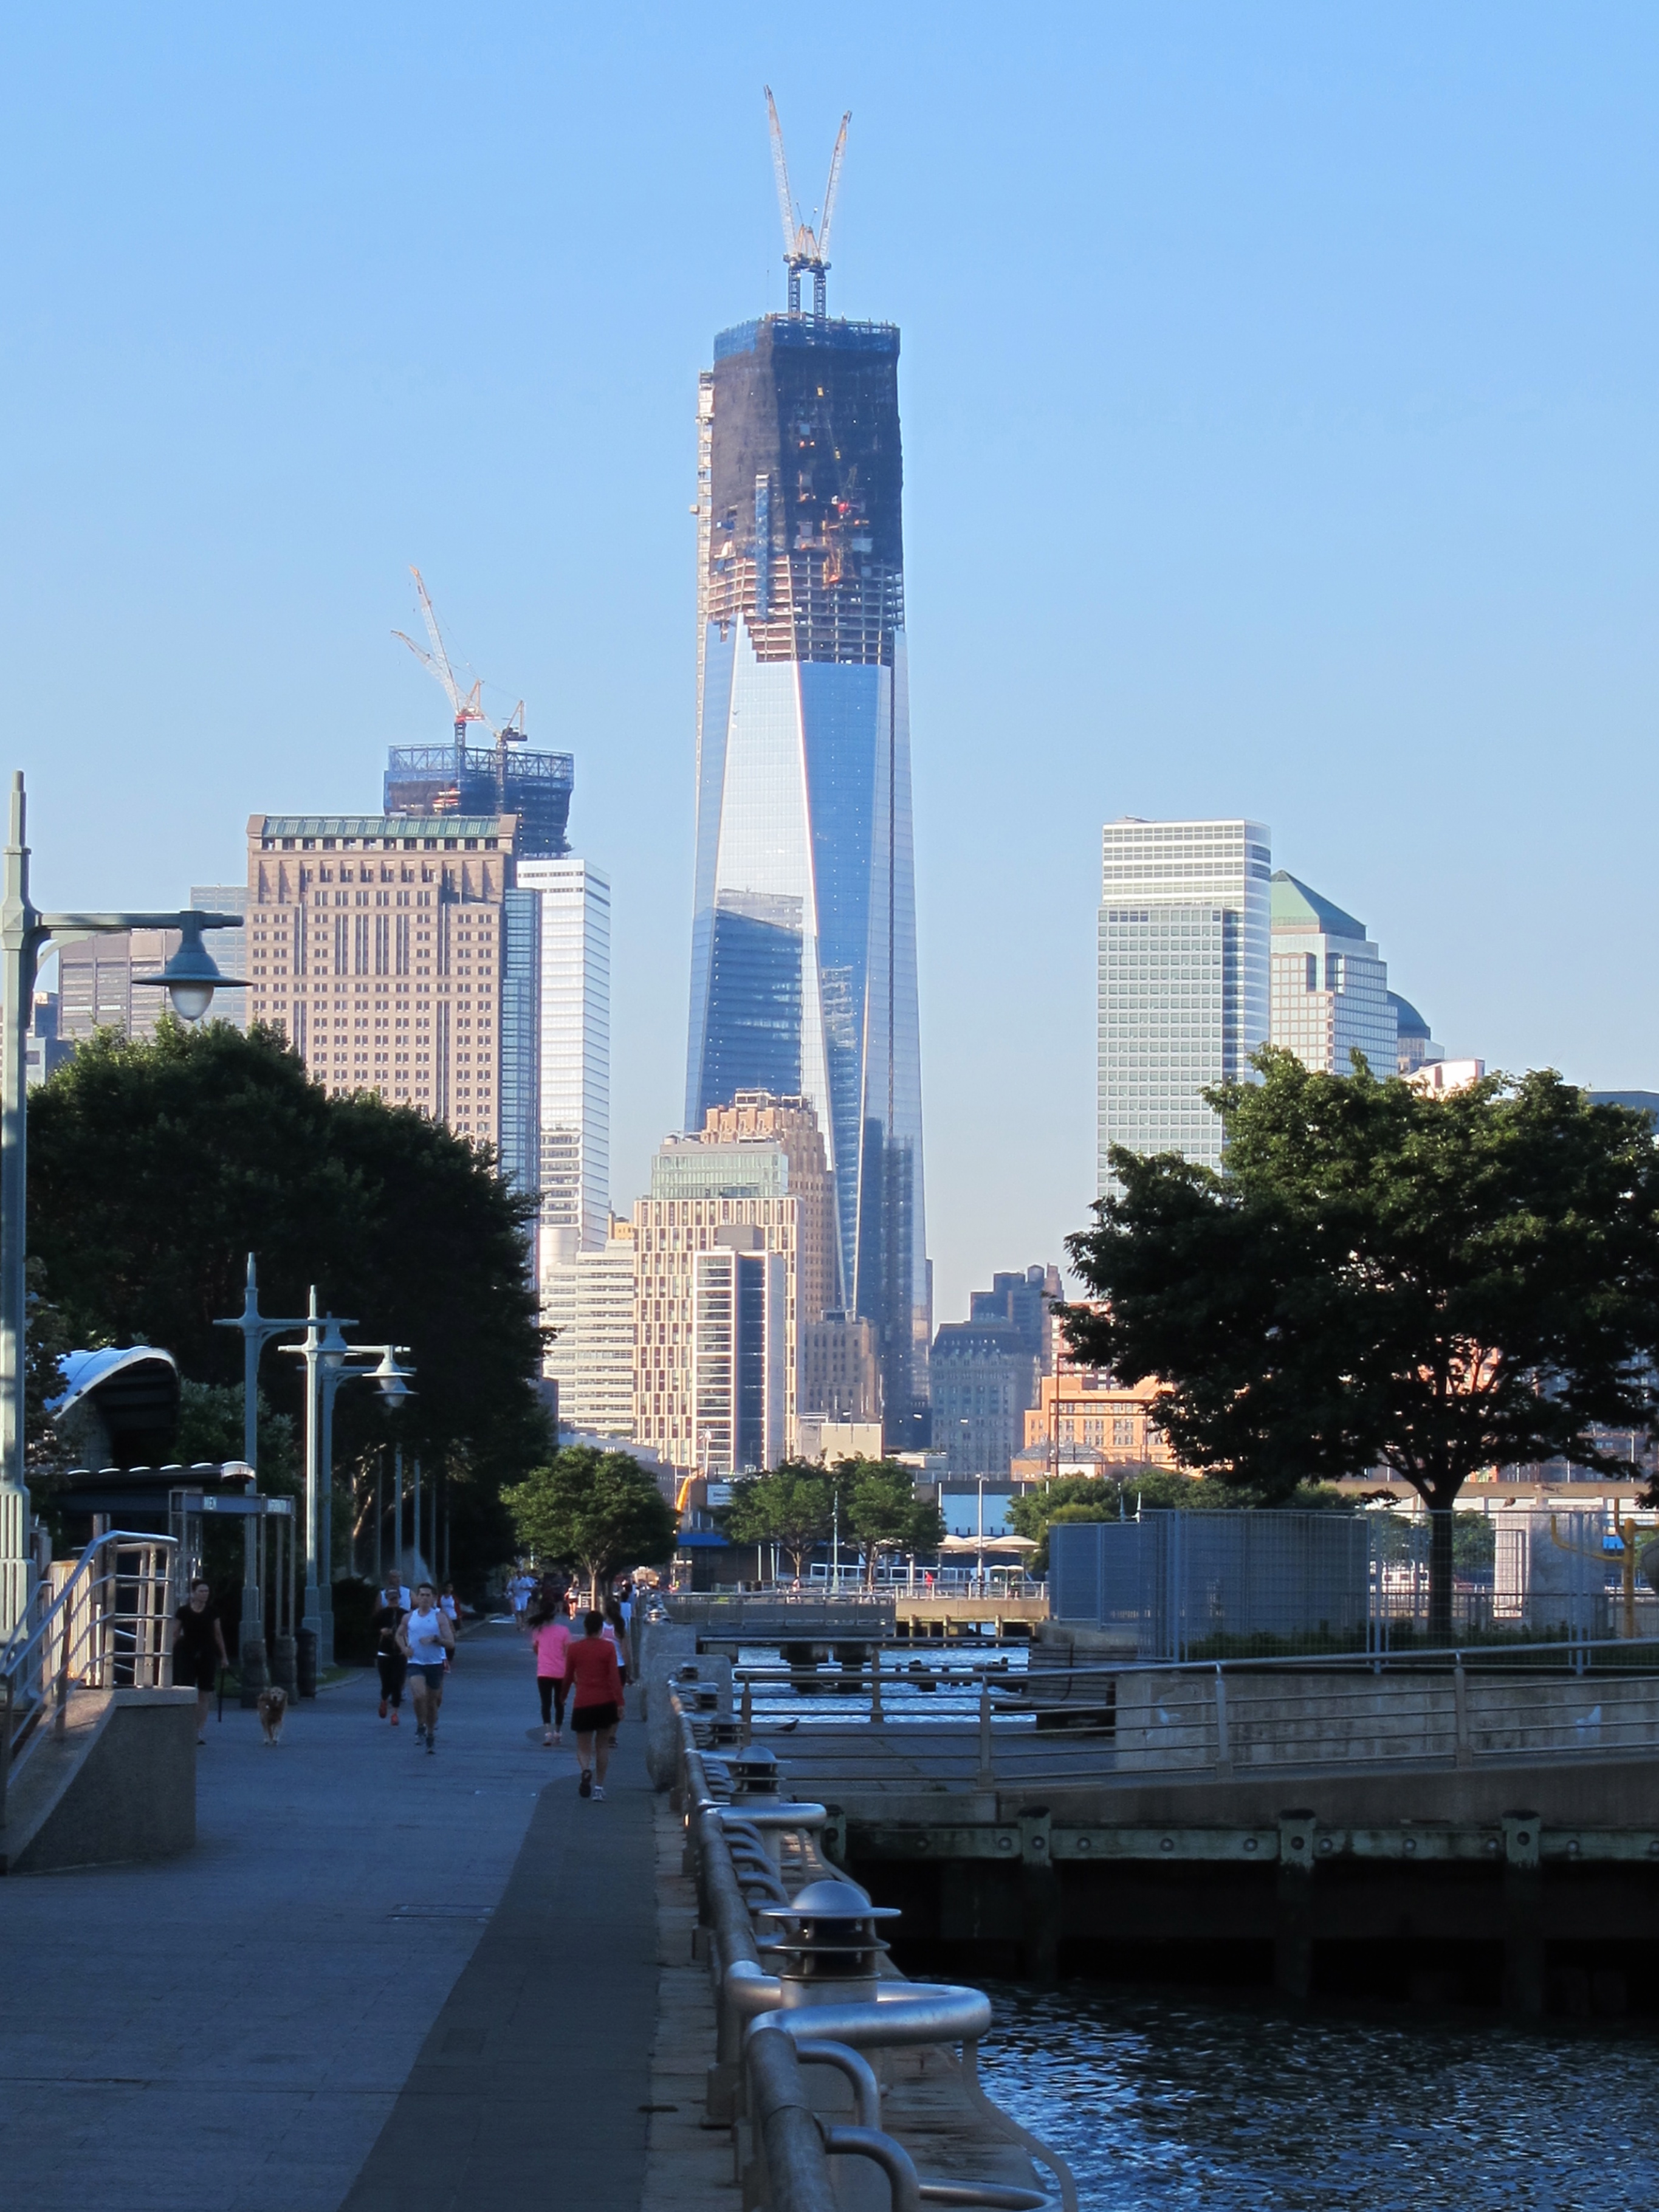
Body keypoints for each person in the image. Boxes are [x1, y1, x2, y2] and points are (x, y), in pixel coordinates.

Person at [563, 1610, 623, 1799]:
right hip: (605, 1702)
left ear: (585, 1627)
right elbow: (614, 1678)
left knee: (583, 1746)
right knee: (603, 1746)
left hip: (583, 1701)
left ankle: (586, 1769)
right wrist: (620, 1702)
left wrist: (562, 1696)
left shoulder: (574, 1649)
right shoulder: (608, 1649)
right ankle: (599, 1788)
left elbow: (567, 1677)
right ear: (600, 1628)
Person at [396, 1582, 456, 1754]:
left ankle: (430, 1734)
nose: (424, 1598)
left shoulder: (439, 1618)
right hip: (415, 1663)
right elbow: (399, 1635)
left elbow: (451, 1643)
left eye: (427, 1595)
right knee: (419, 1696)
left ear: (433, 1598)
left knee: (432, 1703)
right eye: (421, 1595)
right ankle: (420, 1724)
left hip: (435, 1664)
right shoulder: (409, 1617)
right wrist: (404, 1649)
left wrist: (435, 1639)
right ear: (417, 1597)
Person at [170, 1578, 230, 1745]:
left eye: (207, 1591)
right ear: (193, 1593)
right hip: (186, 1652)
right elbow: (175, 1632)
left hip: (207, 1653)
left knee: (204, 1692)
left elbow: (218, 1634)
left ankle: (199, 1730)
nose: (205, 1594)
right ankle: (186, 1726)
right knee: (187, 1690)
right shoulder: (183, 1611)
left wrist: (223, 1656)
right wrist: (168, 1654)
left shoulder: (212, 1612)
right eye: (202, 1591)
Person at [529, 1602, 572, 1746]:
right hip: (561, 1672)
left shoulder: (538, 1631)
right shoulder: (564, 1631)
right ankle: (558, 1732)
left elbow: (535, 1648)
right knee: (559, 1703)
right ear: (556, 1615)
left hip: (544, 1671)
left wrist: (543, 1656)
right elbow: (568, 1652)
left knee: (545, 1703)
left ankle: (548, 1733)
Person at [372, 1580, 407, 1726]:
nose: (394, 1601)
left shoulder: (405, 1615)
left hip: (400, 1654)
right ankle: (384, 1700)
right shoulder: (381, 1615)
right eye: (391, 1599)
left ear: (399, 1599)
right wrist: (381, 1631)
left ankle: (395, 1713)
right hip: (385, 1653)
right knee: (387, 1683)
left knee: (397, 1683)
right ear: (387, 1600)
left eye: (396, 1598)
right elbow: (371, 1630)